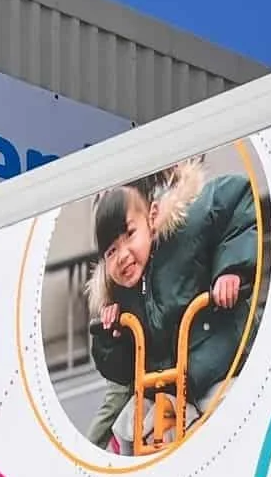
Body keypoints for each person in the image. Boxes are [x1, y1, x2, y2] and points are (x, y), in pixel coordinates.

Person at [84, 155, 261, 452]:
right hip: (168, 391)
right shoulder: (121, 293)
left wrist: (230, 270)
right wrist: (111, 335)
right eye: (111, 251)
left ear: (152, 218)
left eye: (130, 235)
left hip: (216, 369)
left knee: (232, 412)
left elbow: (237, 199)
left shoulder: (186, 228)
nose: (124, 255)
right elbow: (121, 372)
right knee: (126, 430)